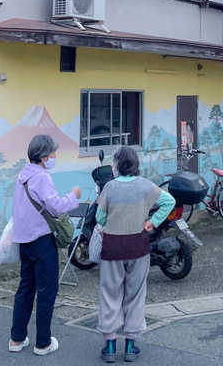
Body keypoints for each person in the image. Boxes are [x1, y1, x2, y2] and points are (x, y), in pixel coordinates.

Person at [96, 146, 175, 363]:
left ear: (117, 166)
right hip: (138, 247)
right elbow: (169, 201)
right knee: (135, 294)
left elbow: (100, 218)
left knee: (110, 294)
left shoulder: (109, 188)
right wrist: (152, 222)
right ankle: (131, 345)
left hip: (112, 248)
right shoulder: (145, 186)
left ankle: (110, 345)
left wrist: (114, 221)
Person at [9, 134, 81, 356]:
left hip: (24, 240)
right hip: (42, 240)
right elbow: (56, 207)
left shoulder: (22, 175)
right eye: (53, 153)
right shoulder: (41, 177)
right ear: (43, 156)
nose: (55, 156)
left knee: (25, 289)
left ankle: (17, 339)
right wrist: (73, 196)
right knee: (47, 290)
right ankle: (42, 343)